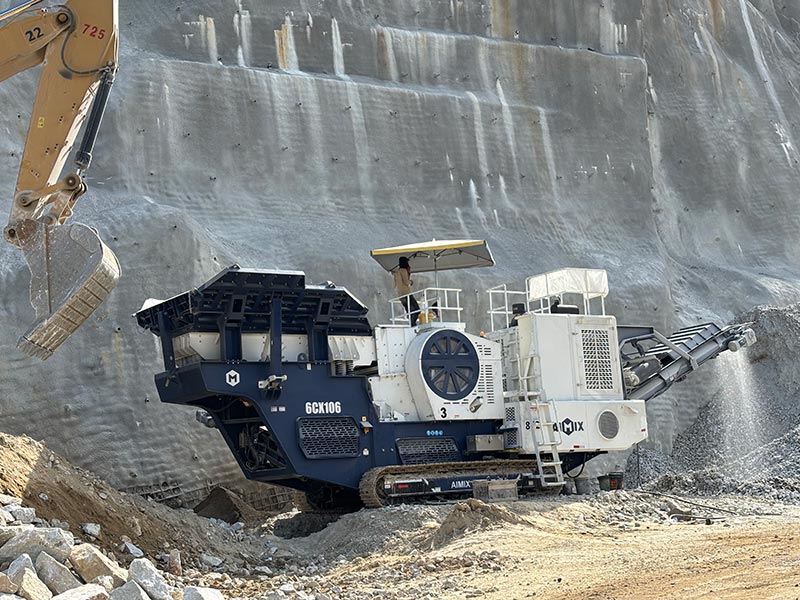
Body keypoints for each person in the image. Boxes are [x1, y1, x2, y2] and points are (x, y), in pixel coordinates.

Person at [393, 256, 420, 326]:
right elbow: (406, 282)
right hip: (406, 293)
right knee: (417, 309)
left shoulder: (396, 272)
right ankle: (413, 324)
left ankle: (411, 324)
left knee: (409, 311)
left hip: (400, 295)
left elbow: (395, 285)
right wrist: (411, 281)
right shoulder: (403, 270)